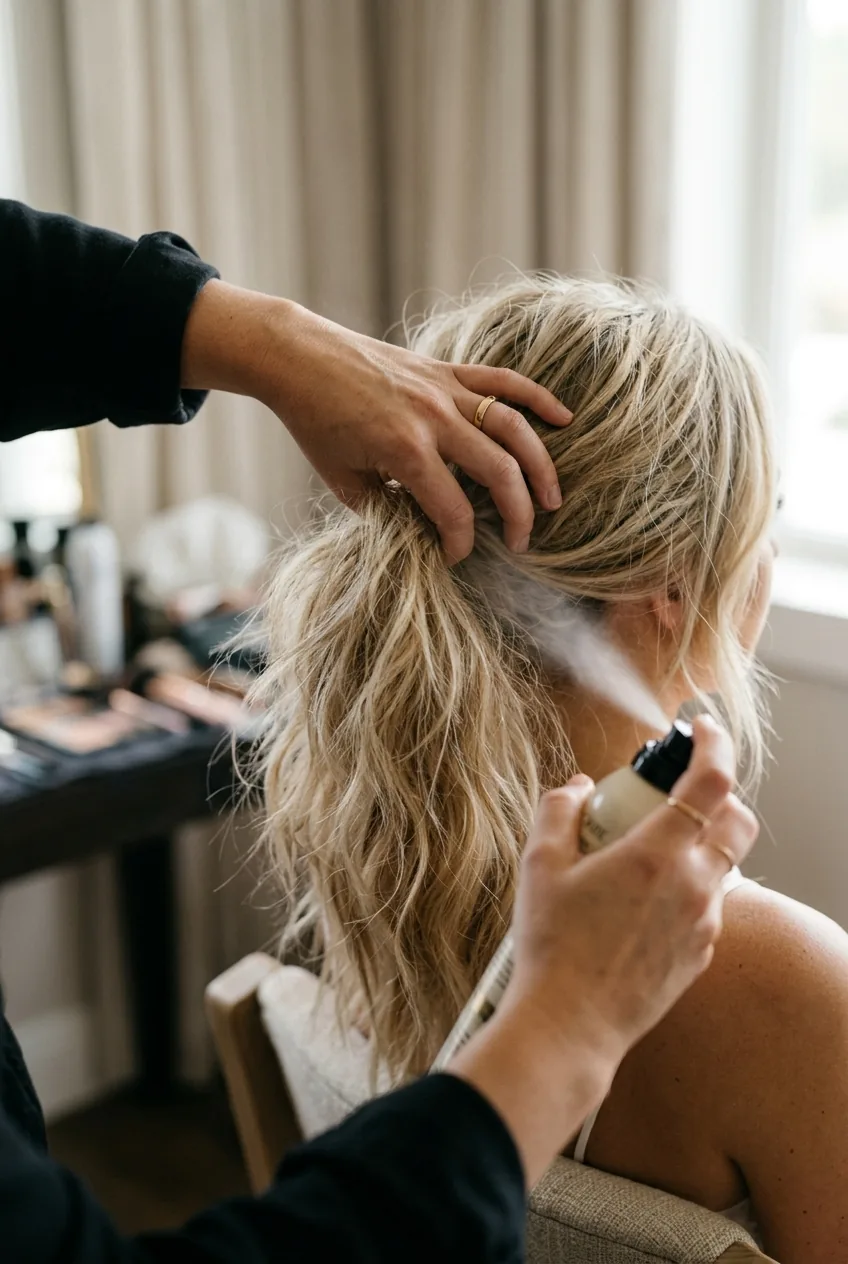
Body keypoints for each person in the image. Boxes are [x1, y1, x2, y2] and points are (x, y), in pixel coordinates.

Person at [0, 200, 758, 1262]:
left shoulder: (388, 879)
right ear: (674, 589)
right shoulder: (785, 983)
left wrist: (255, 338)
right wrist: (564, 1029)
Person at [255, 274, 848, 1264]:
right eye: (764, 513)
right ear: (669, 580)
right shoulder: (783, 983)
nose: (769, 551)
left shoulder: (372, 847)